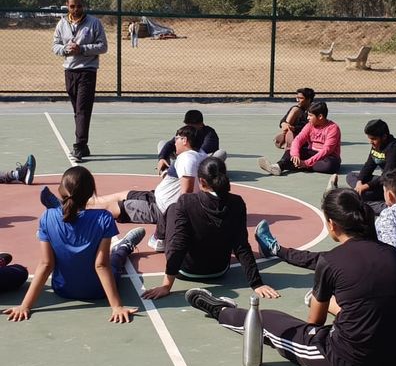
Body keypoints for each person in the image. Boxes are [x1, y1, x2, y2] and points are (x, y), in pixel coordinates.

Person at [187, 188, 396, 366]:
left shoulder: (331, 260)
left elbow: (315, 322)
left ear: (332, 224)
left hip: (349, 363)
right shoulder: (394, 255)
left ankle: (220, 310)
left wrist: (317, 302)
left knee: (269, 320)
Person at [3, 166, 144, 323]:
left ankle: (60, 208)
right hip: (98, 291)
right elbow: (101, 266)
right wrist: (116, 306)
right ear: (91, 194)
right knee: (114, 261)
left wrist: (25, 306)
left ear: (61, 190)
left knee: (57, 227)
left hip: (63, 289)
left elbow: (46, 264)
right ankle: (124, 247)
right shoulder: (104, 218)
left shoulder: (46, 216)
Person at [143, 157, 279, 300]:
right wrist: (256, 283)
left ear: (201, 181)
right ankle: (159, 237)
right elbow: (241, 246)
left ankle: (158, 239)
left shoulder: (186, 201)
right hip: (219, 269)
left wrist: (166, 286)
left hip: (186, 270)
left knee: (172, 208)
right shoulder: (237, 203)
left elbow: (178, 245)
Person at [73, 125, 206, 253]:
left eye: (176, 138)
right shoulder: (201, 155)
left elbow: (186, 194)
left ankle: (72, 210)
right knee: (123, 194)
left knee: (112, 207)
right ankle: (77, 202)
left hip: (160, 208)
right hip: (156, 197)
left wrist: (175, 220)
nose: (174, 142)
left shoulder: (187, 158)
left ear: (185, 140)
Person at [52, 0, 108, 162]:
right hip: (69, 70)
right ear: (67, 6)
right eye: (72, 6)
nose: (75, 9)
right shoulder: (62, 24)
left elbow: (103, 46)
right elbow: (55, 46)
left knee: (83, 109)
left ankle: (79, 145)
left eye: (79, 6)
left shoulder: (94, 23)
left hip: (87, 70)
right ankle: (84, 146)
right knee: (77, 110)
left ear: (84, 5)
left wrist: (82, 49)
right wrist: (65, 49)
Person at [346, 119, 396, 215]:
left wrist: (365, 187)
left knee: (364, 195)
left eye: (373, 139)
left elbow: (386, 175)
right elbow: (369, 165)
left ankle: (387, 205)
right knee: (351, 176)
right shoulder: (377, 145)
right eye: (369, 138)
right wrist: (359, 182)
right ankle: (360, 194)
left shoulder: (395, 149)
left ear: (384, 137)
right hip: (387, 181)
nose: (370, 142)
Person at [259, 101, 341, 176]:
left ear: (320, 116)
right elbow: (297, 140)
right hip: (311, 153)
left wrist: (306, 163)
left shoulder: (333, 128)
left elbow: (326, 150)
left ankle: (298, 165)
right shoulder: (309, 125)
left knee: (329, 166)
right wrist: (295, 155)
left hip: (328, 157)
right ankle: (277, 167)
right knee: (290, 151)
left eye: (310, 116)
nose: (308, 118)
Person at [157, 110, 224, 176]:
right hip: (181, 157)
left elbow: (205, 150)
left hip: (201, 159)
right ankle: (166, 169)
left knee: (221, 153)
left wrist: (188, 155)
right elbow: (171, 144)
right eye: (187, 124)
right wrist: (162, 158)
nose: (189, 127)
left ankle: (204, 172)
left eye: (192, 125)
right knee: (162, 143)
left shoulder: (209, 133)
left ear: (201, 124)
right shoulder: (185, 131)